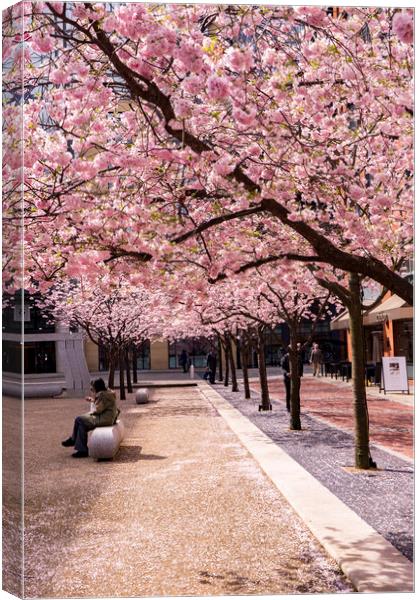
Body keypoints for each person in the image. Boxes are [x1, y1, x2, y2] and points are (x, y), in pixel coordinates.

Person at [61, 378, 118, 458]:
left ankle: (75, 442)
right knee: (82, 424)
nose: (92, 389)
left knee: (79, 419)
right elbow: (102, 406)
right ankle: (81, 449)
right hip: (107, 417)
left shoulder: (102, 395)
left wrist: (94, 400)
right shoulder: (107, 393)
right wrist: (93, 400)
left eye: (92, 387)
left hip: (104, 419)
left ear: (96, 387)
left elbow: (98, 410)